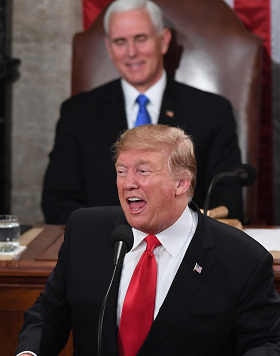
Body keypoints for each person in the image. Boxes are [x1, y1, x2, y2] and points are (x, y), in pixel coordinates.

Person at [0, 124, 280, 356]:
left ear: (181, 182)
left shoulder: (240, 256)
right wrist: (30, 354)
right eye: (121, 171)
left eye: (142, 171)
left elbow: (274, 343)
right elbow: (52, 311)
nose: (128, 184)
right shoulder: (86, 230)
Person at [41, 0, 244, 225]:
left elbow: (227, 201)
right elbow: (57, 201)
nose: (131, 53)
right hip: (104, 248)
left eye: (140, 39)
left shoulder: (211, 112)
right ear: (109, 48)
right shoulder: (77, 113)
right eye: (120, 42)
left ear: (163, 41)